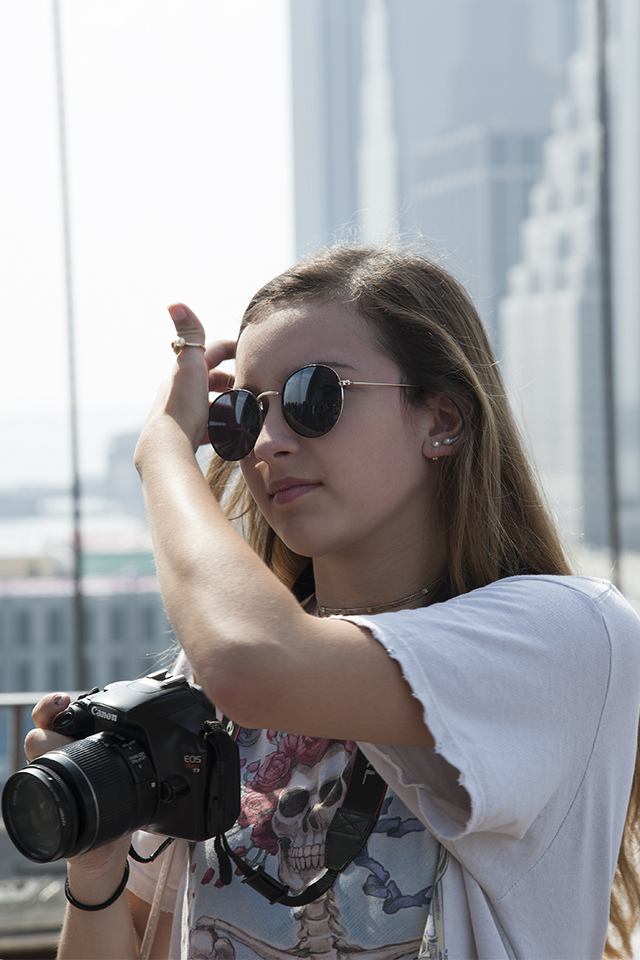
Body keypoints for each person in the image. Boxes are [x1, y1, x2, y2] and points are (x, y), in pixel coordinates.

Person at [27, 245, 640, 960]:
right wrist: (94, 869)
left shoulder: (569, 633)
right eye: (241, 416)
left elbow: (256, 667)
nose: (269, 444)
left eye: (314, 395)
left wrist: (163, 449)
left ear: (442, 417)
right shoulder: (214, 702)